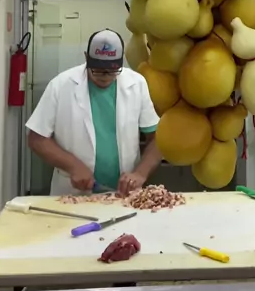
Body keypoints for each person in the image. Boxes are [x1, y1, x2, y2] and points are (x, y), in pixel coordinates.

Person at [27, 29, 161, 197]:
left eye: (112, 70)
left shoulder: (137, 84)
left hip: (125, 194)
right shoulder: (61, 85)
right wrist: (72, 165)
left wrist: (140, 173)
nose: (105, 76)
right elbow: (37, 139)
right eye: (98, 69)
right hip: (73, 193)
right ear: (86, 58)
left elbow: (157, 139)